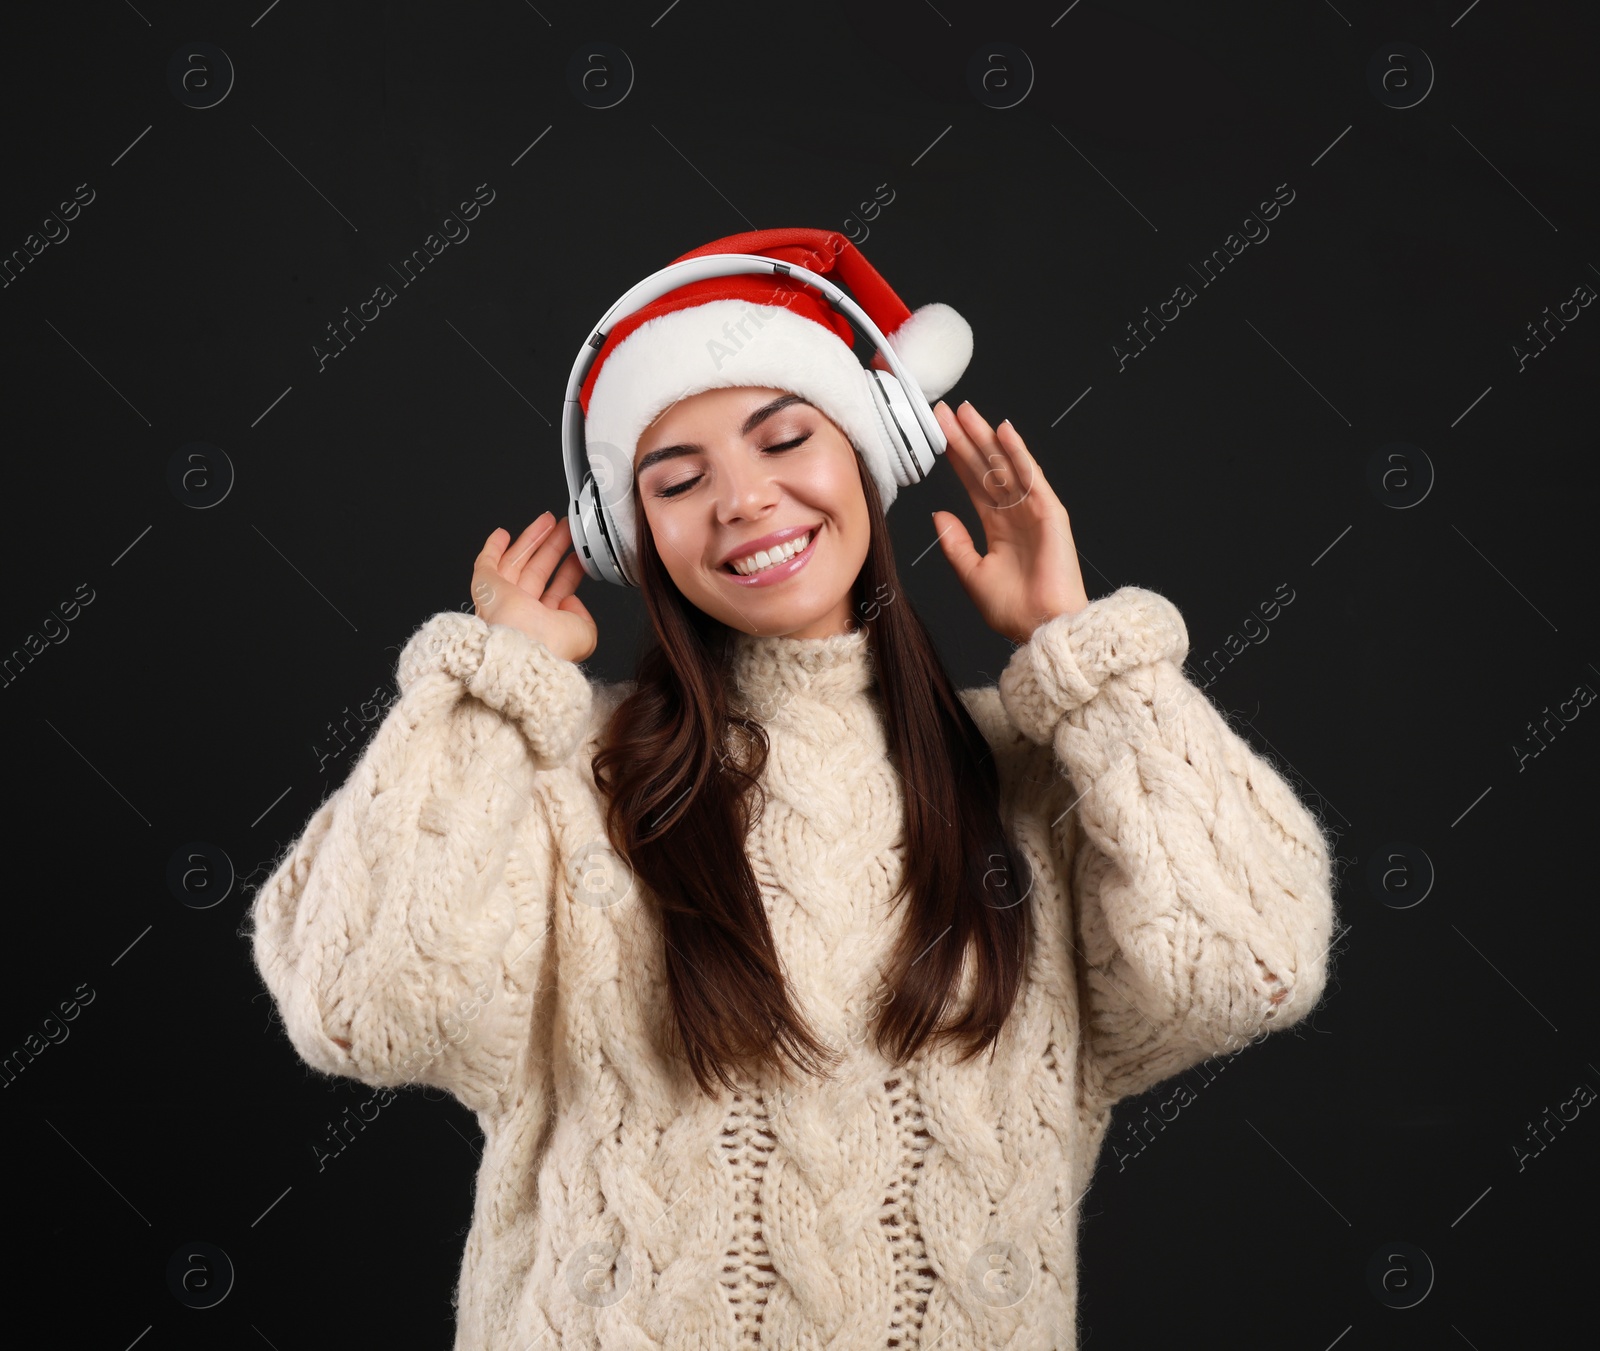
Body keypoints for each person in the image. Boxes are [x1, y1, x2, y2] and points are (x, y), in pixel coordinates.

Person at [248, 228, 1337, 1350]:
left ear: (868, 455)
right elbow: (362, 1013)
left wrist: (1083, 651)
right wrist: (488, 688)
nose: (744, 500)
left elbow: (1245, 968)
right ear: (635, 534)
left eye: (785, 441)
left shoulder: (1036, 768)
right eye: (678, 481)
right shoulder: (564, 778)